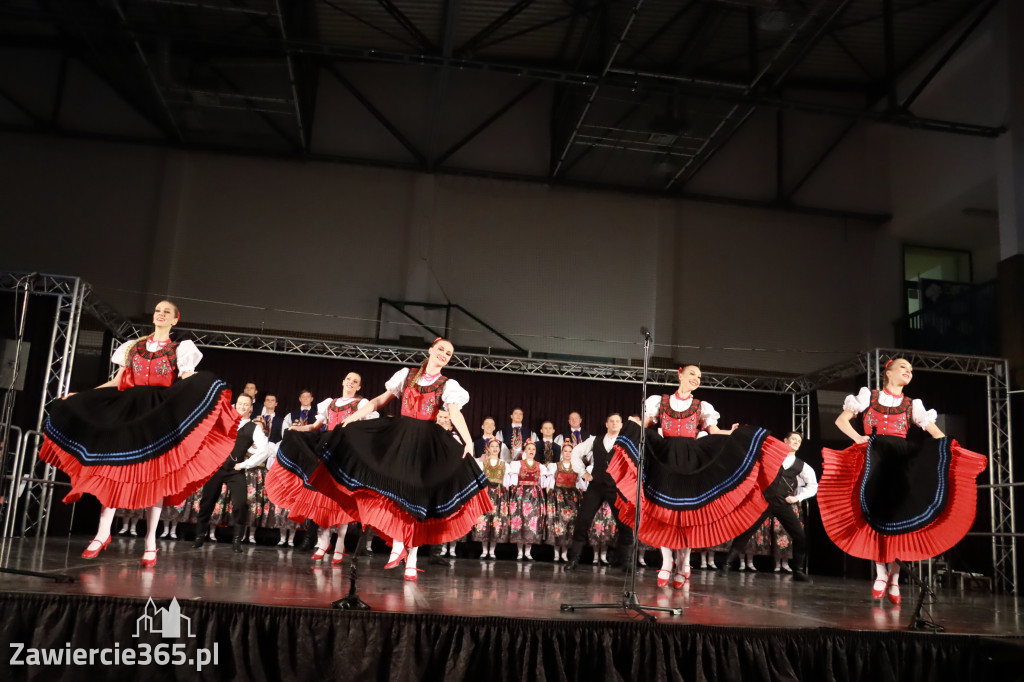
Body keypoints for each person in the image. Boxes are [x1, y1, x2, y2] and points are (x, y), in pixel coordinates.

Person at [273, 337, 492, 581]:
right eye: (441, 349)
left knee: (417, 497)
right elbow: (379, 401)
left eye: (449, 354)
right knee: (395, 491)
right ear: (430, 350)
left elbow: (454, 412)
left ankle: (412, 558)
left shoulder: (448, 384)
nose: (444, 355)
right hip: (399, 437)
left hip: (426, 441)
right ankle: (398, 544)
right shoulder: (406, 375)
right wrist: (355, 417)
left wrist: (468, 441)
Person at [39, 300, 236, 567]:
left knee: (154, 475)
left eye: (167, 312)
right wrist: (83, 395)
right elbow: (118, 380)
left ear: (175, 319)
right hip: (129, 409)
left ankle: (151, 541)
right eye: (157, 311)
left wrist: (204, 388)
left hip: (159, 411)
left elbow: (187, 378)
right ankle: (102, 533)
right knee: (114, 470)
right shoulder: (133, 346)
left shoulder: (181, 348)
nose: (161, 315)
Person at [819, 358, 987, 604]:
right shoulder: (869, 396)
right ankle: (880, 572)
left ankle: (895, 579)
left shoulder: (912, 405)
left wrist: (947, 449)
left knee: (903, 517)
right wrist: (858, 438)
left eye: (911, 369)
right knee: (877, 513)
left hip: (901, 461)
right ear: (888, 372)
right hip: (875, 459)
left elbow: (935, 432)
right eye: (903, 367)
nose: (908, 371)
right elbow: (841, 421)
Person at [609, 365, 789, 589]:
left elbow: (713, 431)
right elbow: (645, 428)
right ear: (680, 374)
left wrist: (733, 433)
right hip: (665, 458)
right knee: (665, 512)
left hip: (692, 460)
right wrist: (632, 426)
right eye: (693, 374)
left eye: (700, 377)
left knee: (686, 515)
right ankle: (666, 562)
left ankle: (683, 563)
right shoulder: (659, 401)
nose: (696, 379)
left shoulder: (701, 406)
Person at [267, 372, 375, 564]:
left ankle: (340, 544)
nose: (350, 383)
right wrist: (296, 429)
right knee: (321, 498)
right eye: (348, 379)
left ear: (359, 387)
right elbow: (316, 426)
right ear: (343, 381)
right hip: (327, 452)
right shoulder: (329, 404)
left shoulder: (361, 404)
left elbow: (368, 428)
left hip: (346, 454)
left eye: (355, 382)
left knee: (341, 500)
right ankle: (324, 542)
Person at [719, 431, 816, 582]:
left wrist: (797, 497)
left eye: (799, 441)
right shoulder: (771, 457)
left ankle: (798, 570)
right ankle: (726, 564)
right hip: (763, 502)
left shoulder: (802, 466)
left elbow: (813, 486)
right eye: (793, 439)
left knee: (801, 537)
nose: (796, 442)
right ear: (785, 440)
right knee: (745, 532)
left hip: (782, 504)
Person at [192, 393, 270, 552]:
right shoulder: (223, 422)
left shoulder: (253, 428)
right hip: (216, 468)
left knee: (240, 504)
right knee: (207, 502)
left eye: (246, 404)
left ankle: (236, 540)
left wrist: (245, 464)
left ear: (251, 408)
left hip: (235, 470)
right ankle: (199, 536)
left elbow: (265, 450)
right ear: (235, 405)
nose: (242, 407)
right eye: (239, 404)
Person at [563, 413, 634, 571]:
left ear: (621, 425)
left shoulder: (627, 443)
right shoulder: (595, 440)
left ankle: (626, 562)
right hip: (596, 486)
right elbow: (575, 453)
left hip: (617, 487)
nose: (615, 424)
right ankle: (574, 559)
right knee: (582, 520)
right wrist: (583, 472)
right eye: (612, 421)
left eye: (617, 422)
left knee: (625, 524)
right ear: (606, 424)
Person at [505, 441, 547, 560]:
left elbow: (543, 482)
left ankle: (528, 552)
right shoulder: (517, 464)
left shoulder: (540, 466)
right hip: (520, 494)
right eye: (529, 449)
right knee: (519, 521)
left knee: (531, 522)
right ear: (524, 451)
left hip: (534, 495)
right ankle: (519, 552)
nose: (531, 451)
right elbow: (513, 481)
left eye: (533, 449)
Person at [472, 439, 510, 559]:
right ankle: (484, 550)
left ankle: (492, 551)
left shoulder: (504, 464)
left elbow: (507, 482)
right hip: (485, 493)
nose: (494, 448)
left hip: (498, 494)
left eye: (496, 446)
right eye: (492, 446)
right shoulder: (482, 463)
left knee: (496, 520)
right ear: (488, 449)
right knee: (484, 520)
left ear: (499, 449)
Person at [545, 443, 582, 562]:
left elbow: (580, 484)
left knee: (569, 526)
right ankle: (556, 554)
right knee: (558, 524)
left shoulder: (577, 466)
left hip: (571, 498)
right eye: (565, 451)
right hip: (558, 497)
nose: (567, 453)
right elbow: (549, 484)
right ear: (562, 453)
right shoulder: (555, 466)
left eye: (570, 451)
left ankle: (565, 554)